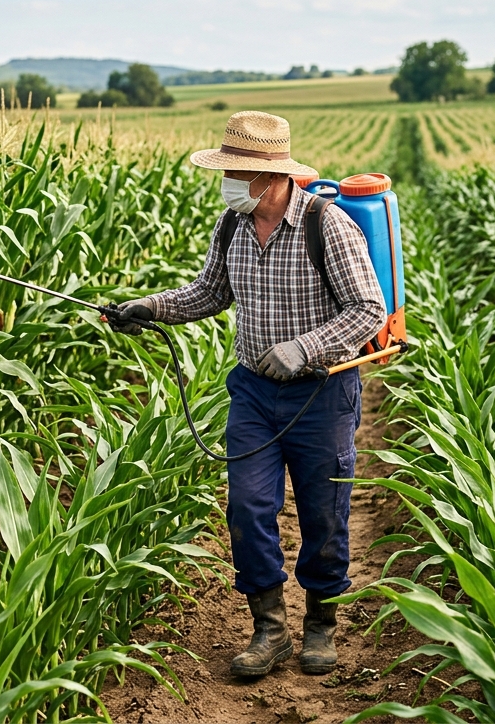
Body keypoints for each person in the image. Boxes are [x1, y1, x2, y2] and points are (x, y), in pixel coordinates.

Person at [109, 111, 385, 678]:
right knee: (248, 506)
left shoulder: (328, 226)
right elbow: (209, 292)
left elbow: (368, 310)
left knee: (323, 513)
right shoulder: (231, 225)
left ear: (273, 175)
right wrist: (150, 308)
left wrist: (304, 348)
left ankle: (320, 625)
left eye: (236, 171)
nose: (227, 181)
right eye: (226, 170)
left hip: (320, 394)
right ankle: (271, 629)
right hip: (255, 394)